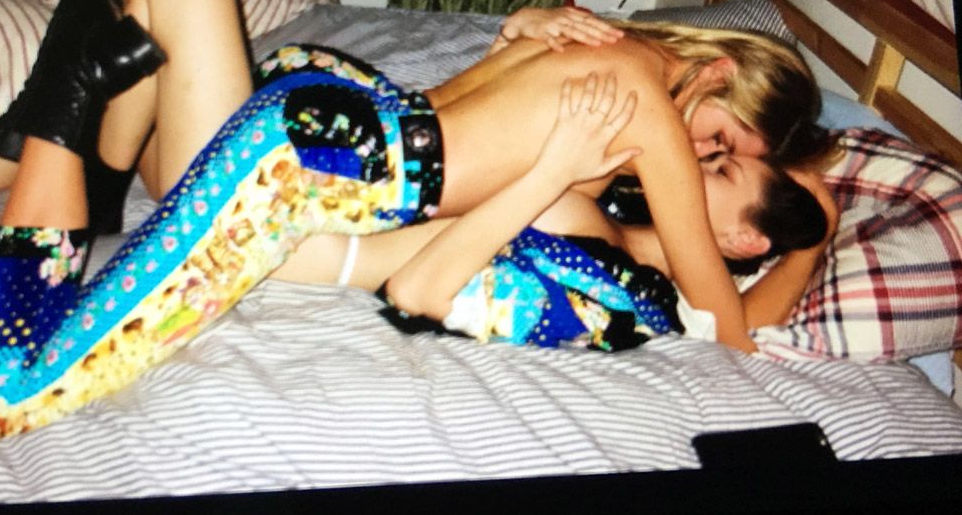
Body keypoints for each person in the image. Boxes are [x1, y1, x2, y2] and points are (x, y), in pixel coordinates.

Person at [0, 0, 828, 456]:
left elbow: (512, 149)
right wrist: (810, 236)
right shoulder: (650, 115)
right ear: (717, 72)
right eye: (721, 139)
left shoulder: (591, 43)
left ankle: (83, 113)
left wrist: (515, 36)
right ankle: (65, 95)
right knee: (2, 399)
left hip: (335, 114)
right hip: (305, 167)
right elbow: (727, 327)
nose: (697, 156)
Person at [272, 74, 831, 350]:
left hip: (295, 239)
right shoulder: (609, 207)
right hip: (329, 174)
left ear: (744, 240)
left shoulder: (622, 300)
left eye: (722, 170)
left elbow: (418, 291)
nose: (695, 160)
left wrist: (812, 243)